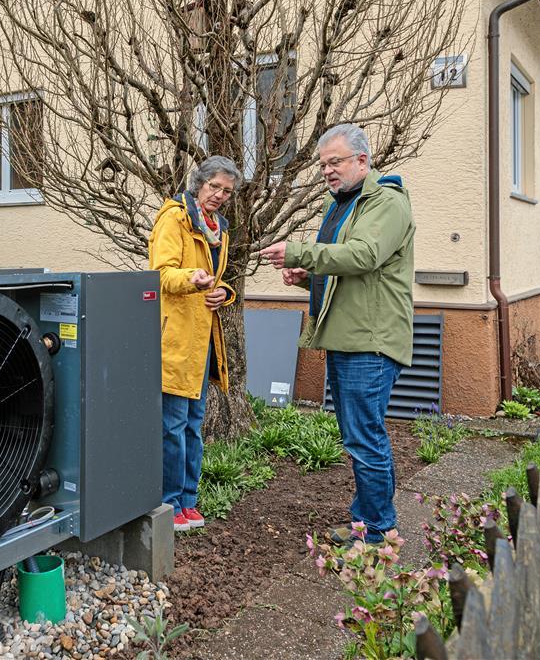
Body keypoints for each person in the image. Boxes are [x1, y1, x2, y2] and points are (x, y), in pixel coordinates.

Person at [260, 123, 414, 545]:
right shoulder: (345, 204)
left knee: (366, 438)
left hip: (371, 342)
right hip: (349, 338)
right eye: (323, 164)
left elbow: (364, 256)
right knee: (356, 437)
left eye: (336, 162)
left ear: (362, 161)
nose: (327, 171)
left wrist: (298, 250)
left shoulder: (386, 201)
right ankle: (366, 521)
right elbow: (345, 273)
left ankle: (380, 529)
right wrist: (306, 277)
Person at [149, 155, 241, 533]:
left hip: (203, 341)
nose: (219, 195)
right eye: (214, 186)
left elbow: (218, 280)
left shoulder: (218, 228)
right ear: (198, 183)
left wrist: (224, 292)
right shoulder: (174, 218)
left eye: (227, 191)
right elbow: (160, 273)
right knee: (172, 424)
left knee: (194, 423)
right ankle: (169, 503)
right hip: (174, 338)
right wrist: (193, 278)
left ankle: (188, 500)